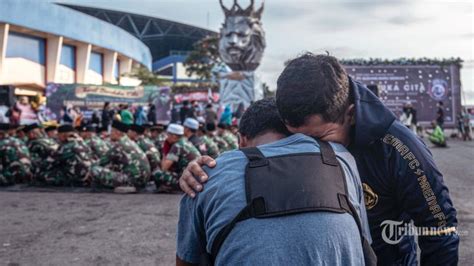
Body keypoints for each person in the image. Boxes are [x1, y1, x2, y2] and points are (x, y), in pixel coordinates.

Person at [179, 53, 459, 265]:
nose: (308, 149)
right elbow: (256, 152)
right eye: (294, 139)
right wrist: (206, 172)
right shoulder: (296, 115)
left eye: (320, 139)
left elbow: (440, 229)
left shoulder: (399, 149)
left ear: (349, 114)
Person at [176, 98, 372, 265]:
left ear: (241, 139)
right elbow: (366, 251)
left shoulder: (205, 175)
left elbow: (186, 260)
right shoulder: (342, 160)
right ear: (296, 133)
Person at [97, 120, 150, 189]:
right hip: (143, 180)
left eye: (112, 131)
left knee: (95, 169)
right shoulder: (130, 141)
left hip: (132, 181)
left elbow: (102, 161)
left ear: (118, 132)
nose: (110, 134)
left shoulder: (119, 145)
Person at [152, 124, 200, 192]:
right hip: (196, 178)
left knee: (157, 173)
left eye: (168, 134)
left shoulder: (177, 146)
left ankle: (174, 187)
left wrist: (165, 151)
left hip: (188, 179)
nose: (166, 137)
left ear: (174, 136)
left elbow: (164, 167)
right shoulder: (185, 142)